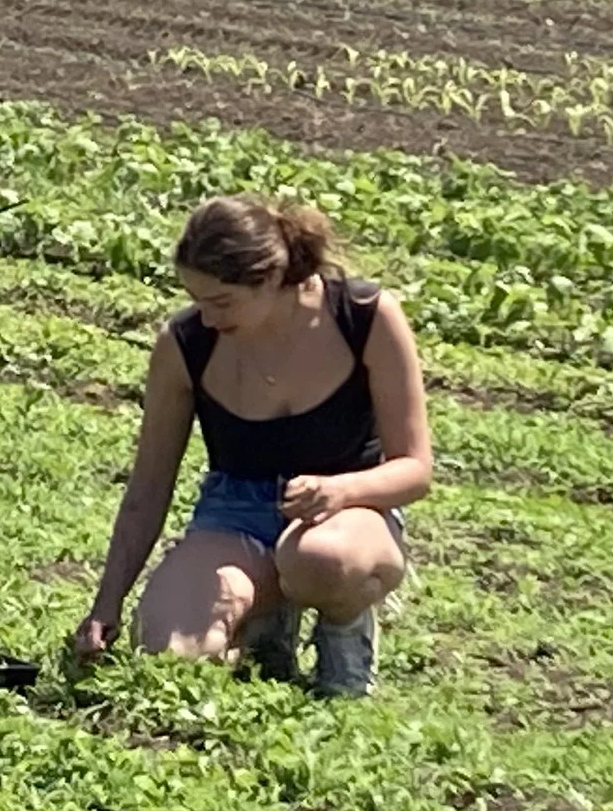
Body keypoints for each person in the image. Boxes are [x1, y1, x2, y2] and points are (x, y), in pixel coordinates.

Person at [73, 195, 431, 697]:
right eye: (197, 300)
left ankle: (345, 637)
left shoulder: (364, 316)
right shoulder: (185, 342)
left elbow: (415, 469)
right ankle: (265, 625)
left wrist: (341, 491)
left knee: (322, 560)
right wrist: (106, 603)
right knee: (166, 648)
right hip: (236, 512)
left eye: (222, 302)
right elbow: (149, 486)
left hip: (348, 514)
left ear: (272, 278)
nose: (207, 318)